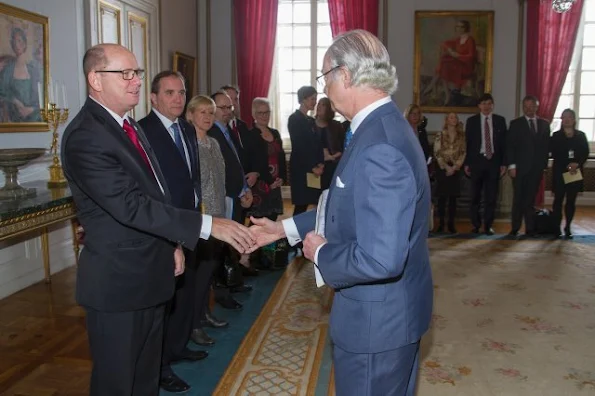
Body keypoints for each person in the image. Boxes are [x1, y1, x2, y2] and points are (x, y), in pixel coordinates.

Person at [60, 43, 253, 396]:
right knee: (118, 383)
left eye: (137, 73)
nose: (135, 81)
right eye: (126, 74)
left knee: (146, 379)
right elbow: (130, 206)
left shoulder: (126, 126)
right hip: (118, 284)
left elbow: (155, 192)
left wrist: (172, 244)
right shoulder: (86, 135)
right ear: (95, 80)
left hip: (150, 272)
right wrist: (206, 225)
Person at [249, 30, 433, 396]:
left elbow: (381, 259)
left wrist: (319, 252)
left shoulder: (380, 145)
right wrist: (284, 229)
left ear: (345, 76)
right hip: (389, 317)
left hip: (376, 324)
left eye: (324, 77)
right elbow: (343, 202)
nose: (324, 89)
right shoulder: (377, 128)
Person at [137, 71, 208, 393]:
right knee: (163, 300)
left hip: (189, 222)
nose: (178, 98)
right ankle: (161, 366)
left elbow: (191, 176)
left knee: (185, 292)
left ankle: (178, 347)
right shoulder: (142, 131)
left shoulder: (186, 129)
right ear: (153, 98)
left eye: (181, 92)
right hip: (164, 226)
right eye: (169, 93)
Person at [185, 95, 230, 348]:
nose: (207, 117)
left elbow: (220, 179)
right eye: (202, 112)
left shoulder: (213, 143)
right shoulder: (187, 143)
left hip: (217, 215)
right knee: (197, 274)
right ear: (190, 115)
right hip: (199, 218)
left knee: (209, 269)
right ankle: (193, 324)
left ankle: (204, 313)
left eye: (210, 113)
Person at [243, 97, 288, 269]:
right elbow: (255, 162)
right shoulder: (250, 134)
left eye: (266, 112)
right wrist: (270, 181)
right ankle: (249, 256)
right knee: (257, 222)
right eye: (260, 112)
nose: (264, 115)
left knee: (272, 220)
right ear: (254, 114)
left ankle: (266, 257)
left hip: (275, 184)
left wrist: (282, 177)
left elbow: (281, 157)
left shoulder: (275, 133)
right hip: (260, 187)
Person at [506, 95, 551, 237]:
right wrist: (511, 166)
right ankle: (515, 228)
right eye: (525, 106)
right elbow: (510, 147)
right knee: (518, 199)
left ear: (536, 107)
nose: (528, 109)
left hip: (536, 170)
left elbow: (546, 147)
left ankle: (530, 229)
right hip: (519, 169)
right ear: (522, 107)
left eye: (531, 106)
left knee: (530, 199)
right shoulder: (515, 124)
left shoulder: (544, 124)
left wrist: (543, 166)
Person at [464, 93, 507, 235]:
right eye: (483, 103)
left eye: (489, 103)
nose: (486, 106)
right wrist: (467, 163)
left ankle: (488, 225)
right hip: (477, 162)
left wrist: (503, 163)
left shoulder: (500, 121)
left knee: (491, 197)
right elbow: (468, 144)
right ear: (479, 106)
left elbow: (503, 145)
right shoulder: (472, 121)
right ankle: (475, 225)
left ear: (492, 105)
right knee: (475, 197)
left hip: (494, 163)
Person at [550, 108, 589, 238]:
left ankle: (568, 227)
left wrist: (576, 163)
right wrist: (568, 164)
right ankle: (556, 228)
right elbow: (555, 153)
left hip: (574, 173)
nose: (567, 120)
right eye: (564, 117)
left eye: (569, 117)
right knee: (558, 201)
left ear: (574, 120)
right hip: (560, 173)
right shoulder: (556, 136)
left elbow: (585, 153)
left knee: (571, 201)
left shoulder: (581, 135)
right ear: (561, 120)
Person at [288, 85, 324, 216]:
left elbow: (318, 144)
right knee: (301, 204)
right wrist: (312, 166)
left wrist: (320, 163)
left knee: (314, 201)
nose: (315, 102)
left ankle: (309, 232)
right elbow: (299, 146)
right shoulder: (294, 119)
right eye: (312, 99)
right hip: (301, 167)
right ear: (303, 99)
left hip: (314, 167)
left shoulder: (311, 120)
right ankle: (292, 235)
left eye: (316, 99)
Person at [423, 20, 478, 106]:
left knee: (445, 64)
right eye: (458, 27)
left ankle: (432, 87)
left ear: (466, 28)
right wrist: (450, 50)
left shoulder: (470, 40)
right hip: (458, 64)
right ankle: (446, 95)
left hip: (466, 66)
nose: (459, 29)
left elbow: (471, 56)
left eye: (462, 27)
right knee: (444, 61)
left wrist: (457, 56)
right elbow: (444, 43)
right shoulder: (458, 39)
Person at [0, 27, 42, 122]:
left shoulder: (33, 70)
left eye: (19, 41)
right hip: (15, 114)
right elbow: (2, 92)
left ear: (24, 43)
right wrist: (16, 101)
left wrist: (31, 109)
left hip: (33, 113)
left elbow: (41, 97)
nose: (17, 44)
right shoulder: (8, 70)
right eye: (14, 42)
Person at [433, 112, 466, 233]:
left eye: (455, 117)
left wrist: (456, 166)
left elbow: (463, 152)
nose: (454, 119)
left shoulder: (461, 136)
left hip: (455, 169)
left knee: (453, 199)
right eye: (451, 117)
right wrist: (446, 167)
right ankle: (441, 223)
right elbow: (437, 152)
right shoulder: (440, 135)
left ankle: (451, 224)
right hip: (443, 169)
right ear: (446, 120)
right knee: (442, 198)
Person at [315, 97, 345, 190]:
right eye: (318, 104)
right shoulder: (310, 125)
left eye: (323, 105)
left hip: (333, 165)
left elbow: (343, 146)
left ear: (329, 108)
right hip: (316, 166)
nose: (319, 106)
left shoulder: (337, 125)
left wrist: (333, 156)